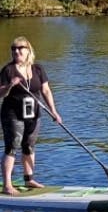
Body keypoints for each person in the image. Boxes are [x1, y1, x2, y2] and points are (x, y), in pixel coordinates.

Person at [0, 38, 62, 196]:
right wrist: (9, 86)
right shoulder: (8, 70)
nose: (16, 51)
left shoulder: (38, 69)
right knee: (12, 147)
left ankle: (29, 179)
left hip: (34, 114)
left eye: (20, 48)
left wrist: (54, 112)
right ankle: (8, 184)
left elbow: (46, 91)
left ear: (28, 50)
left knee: (29, 146)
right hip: (13, 115)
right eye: (13, 49)